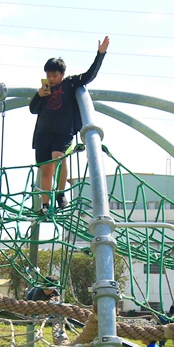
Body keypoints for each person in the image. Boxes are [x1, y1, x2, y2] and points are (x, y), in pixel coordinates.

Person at [29, 36, 110, 214]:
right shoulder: (44, 91)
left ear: (62, 75)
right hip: (43, 134)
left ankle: (60, 193)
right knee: (45, 170)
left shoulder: (70, 84)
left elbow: (90, 75)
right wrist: (38, 95)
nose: (50, 79)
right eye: (48, 75)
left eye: (54, 75)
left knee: (59, 158)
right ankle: (44, 204)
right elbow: (33, 109)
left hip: (63, 132)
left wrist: (100, 54)